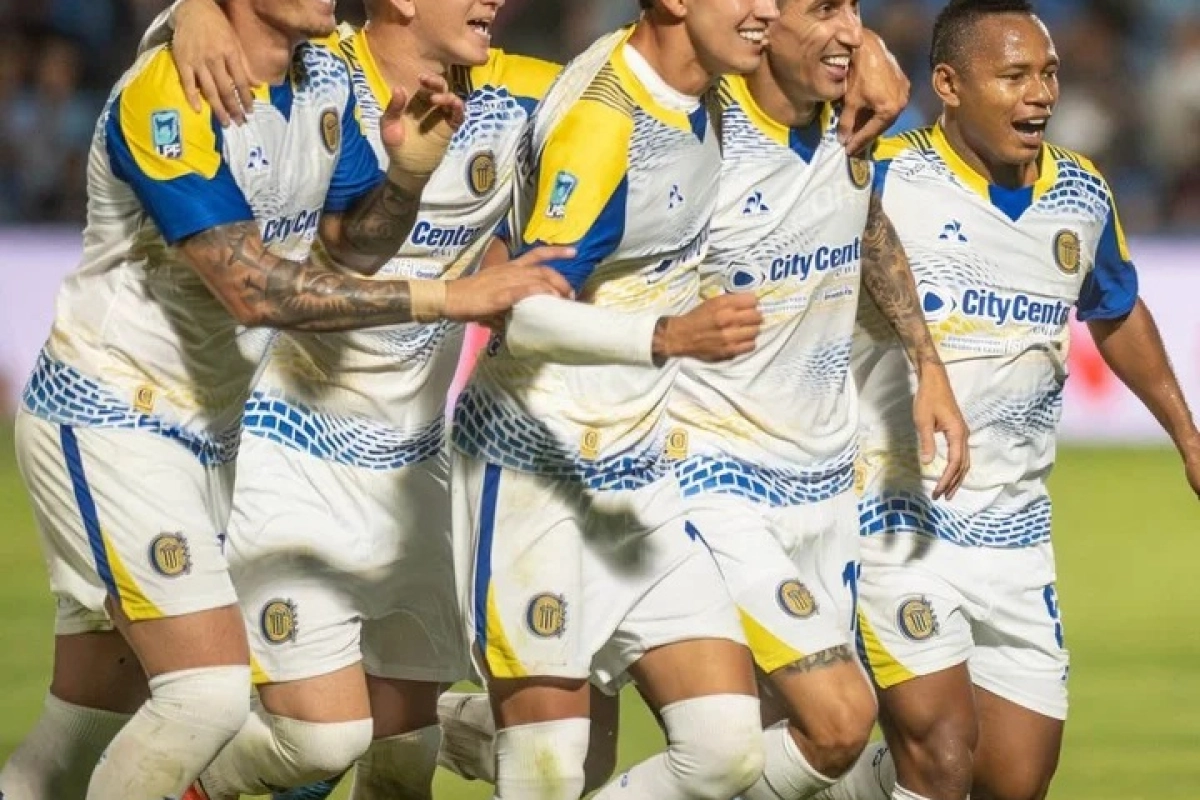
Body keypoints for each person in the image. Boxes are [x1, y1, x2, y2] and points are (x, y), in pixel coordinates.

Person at [0, 0, 571, 797]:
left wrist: (407, 177)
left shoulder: (320, 83)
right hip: (113, 413)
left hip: (213, 436)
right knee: (205, 697)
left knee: (82, 731)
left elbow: (353, 247)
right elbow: (255, 291)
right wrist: (450, 297)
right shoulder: (172, 89)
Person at [817, 2, 1200, 800]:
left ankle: (813, 784)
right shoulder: (881, 175)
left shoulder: (1080, 193)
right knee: (942, 756)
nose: (1041, 95)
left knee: (1013, 781)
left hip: (1017, 533)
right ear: (949, 84)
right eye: (1015, 75)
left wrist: (1187, 435)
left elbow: (1115, 309)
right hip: (896, 516)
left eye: (1049, 74)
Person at [449, 1, 782, 798]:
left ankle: (437, 721)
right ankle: (435, 724)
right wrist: (668, 335)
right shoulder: (605, 123)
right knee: (550, 769)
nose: (767, 10)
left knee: (726, 750)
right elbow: (520, 315)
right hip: (535, 474)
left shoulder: (704, 86)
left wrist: (865, 57)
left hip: (638, 479)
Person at [667, 0, 969, 798]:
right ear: (760, 19)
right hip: (715, 479)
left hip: (824, 486)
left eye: (854, 7)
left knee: (783, 752)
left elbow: (865, 221)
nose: (849, 29)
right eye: (823, 8)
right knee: (838, 721)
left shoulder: (851, 121)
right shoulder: (699, 131)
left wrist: (928, 363)